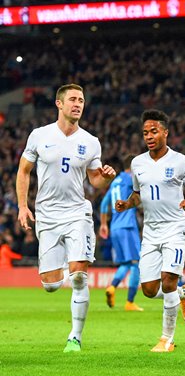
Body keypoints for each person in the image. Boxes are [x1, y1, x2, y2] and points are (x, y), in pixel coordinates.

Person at [16, 83, 116, 352]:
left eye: (81, 100)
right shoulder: (39, 135)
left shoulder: (90, 141)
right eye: (72, 99)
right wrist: (22, 206)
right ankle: (60, 263)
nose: (78, 104)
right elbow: (24, 171)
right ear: (59, 104)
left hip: (77, 213)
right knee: (51, 285)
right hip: (47, 215)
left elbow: (94, 180)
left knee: (80, 276)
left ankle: (75, 337)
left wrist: (104, 179)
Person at [115, 109, 185, 353]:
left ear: (165, 132)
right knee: (150, 290)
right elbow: (137, 195)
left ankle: (167, 340)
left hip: (176, 228)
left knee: (168, 280)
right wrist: (127, 203)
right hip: (151, 232)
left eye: (154, 131)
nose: (149, 136)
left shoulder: (181, 161)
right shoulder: (138, 163)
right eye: (145, 133)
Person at [99, 154, 143, 312]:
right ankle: (130, 301)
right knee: (136, 262)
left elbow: (104, 204)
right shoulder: (129, 179)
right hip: (128, 226)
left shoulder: (115, 182)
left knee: (126, 263)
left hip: (115, 227)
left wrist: (103, 224)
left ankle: (112, 287)